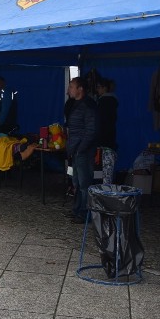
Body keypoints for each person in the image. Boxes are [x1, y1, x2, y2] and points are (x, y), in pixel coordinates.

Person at [66, 76, 97, 223]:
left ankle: (85, 214)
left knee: (85, 184)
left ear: (80, 89)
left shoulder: (88, 105)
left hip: (83, 150)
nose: (69, 90)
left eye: (71, 87)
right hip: (76, 149)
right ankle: (77, 210)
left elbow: (91, 130)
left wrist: (81, 149)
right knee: (77, 182)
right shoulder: (75, 104)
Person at [95, 77, 118, 185]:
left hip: (104, 141)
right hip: (110, 141)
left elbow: (100, 123)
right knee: (107, 173)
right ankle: (106, 192)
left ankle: (104, 196)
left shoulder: (103, 102)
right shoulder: (113, 101)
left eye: (99, 88)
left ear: (104, 88)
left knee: (103, 173)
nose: (97, 90)